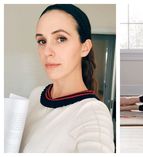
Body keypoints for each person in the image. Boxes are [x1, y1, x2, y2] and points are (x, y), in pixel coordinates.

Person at [20, 4, 114, 153]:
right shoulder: (35, 96)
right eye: (42, 41)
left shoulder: (93, 113)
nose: (47, 52)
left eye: (61, 39)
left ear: (85, 47)